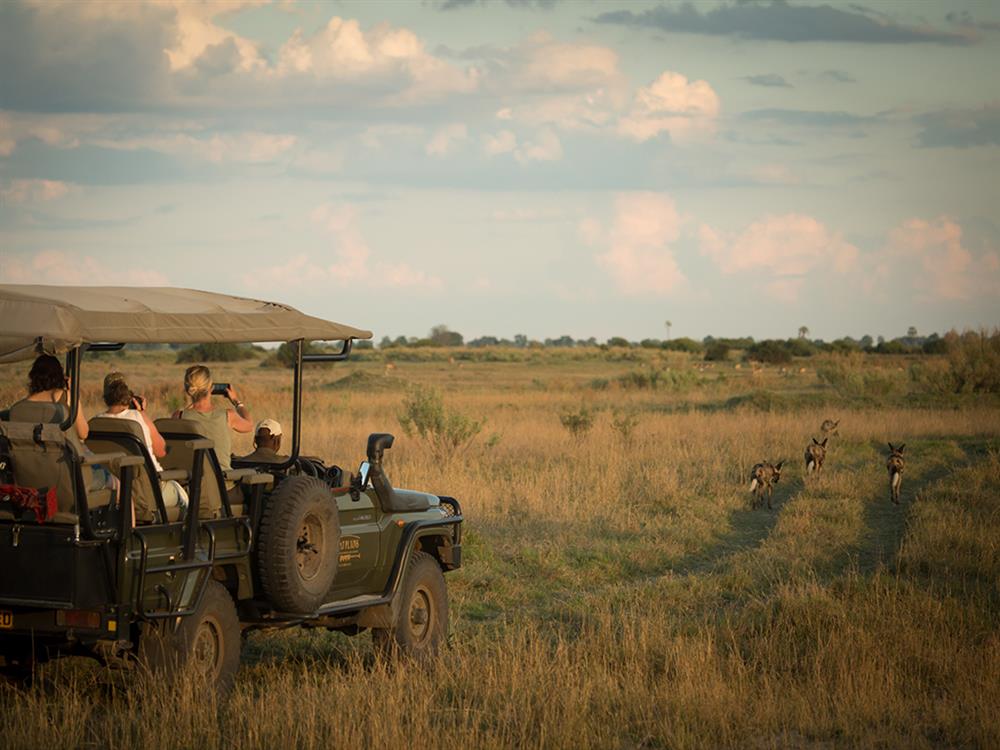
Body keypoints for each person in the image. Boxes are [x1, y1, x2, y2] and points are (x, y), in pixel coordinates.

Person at [95, 372, 188, 520]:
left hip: (113, 492)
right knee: (184, 496)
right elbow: (161, 450)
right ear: (128, 394)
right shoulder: (138, 418)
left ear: (106, 396)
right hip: (147, 493)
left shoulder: (95, 423)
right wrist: (142, 412)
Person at [175, 365, 253, 504]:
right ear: (211, 387)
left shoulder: (179, 416)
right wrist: (237, 401)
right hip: (223, 490)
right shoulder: (227, 415)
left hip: (191, 490)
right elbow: (249, 425)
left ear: (188, 390)